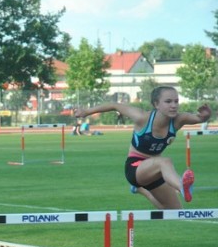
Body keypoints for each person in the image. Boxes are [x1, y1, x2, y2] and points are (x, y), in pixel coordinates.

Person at [74, 86, 211, 209]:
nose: (174, 105)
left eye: (176, 101)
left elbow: (199, 119)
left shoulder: (179, 119)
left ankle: (141, 190)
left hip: (155, 171)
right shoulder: (142, 117)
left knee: (174, 210)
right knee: (165, 161)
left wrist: (206, 116)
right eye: (168, 102)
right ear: (156, 104)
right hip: (135, 167)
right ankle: (182, 186)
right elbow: (114, 105)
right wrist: (86, 112)